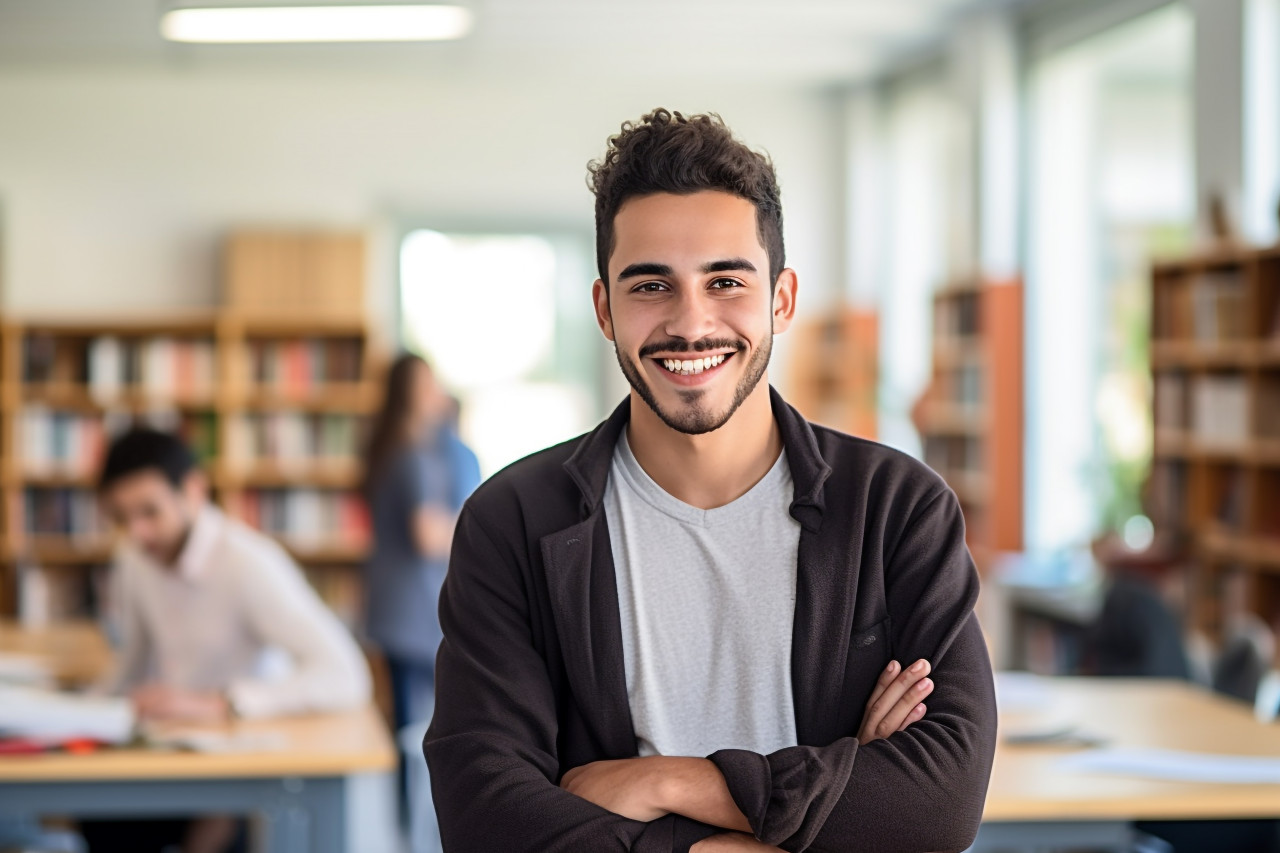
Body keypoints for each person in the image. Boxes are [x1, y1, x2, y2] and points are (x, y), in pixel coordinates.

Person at [424, 108, 997, 852]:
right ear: (605, 309)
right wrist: (805, 807)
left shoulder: (897, 508)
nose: (691, 324)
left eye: (725, 281)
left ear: (781, 299)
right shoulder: (512, 521)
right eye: (651, 286)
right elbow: (485, 813)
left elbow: (938, 805)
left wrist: (668, 782)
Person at [90, 426, 372, 852]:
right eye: (121, 518)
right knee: (98, 821)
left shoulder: (249, 564)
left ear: (193, 491)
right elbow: (132, 660)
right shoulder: (134, 558)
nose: (136, 533)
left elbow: (347, 675)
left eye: (149, 512)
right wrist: (77, 713)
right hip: (170, 755)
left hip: (241, 770)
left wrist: (222, 703)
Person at [362, 353, 481, 734]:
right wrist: (482, 529)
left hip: (391, 606)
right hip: (413, 612)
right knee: (419, 730)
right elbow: (428, 536)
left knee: (404, 724)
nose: (438, 394)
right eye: (429, 385)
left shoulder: (387, 449)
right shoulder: (413, 457)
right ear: (412, 393)